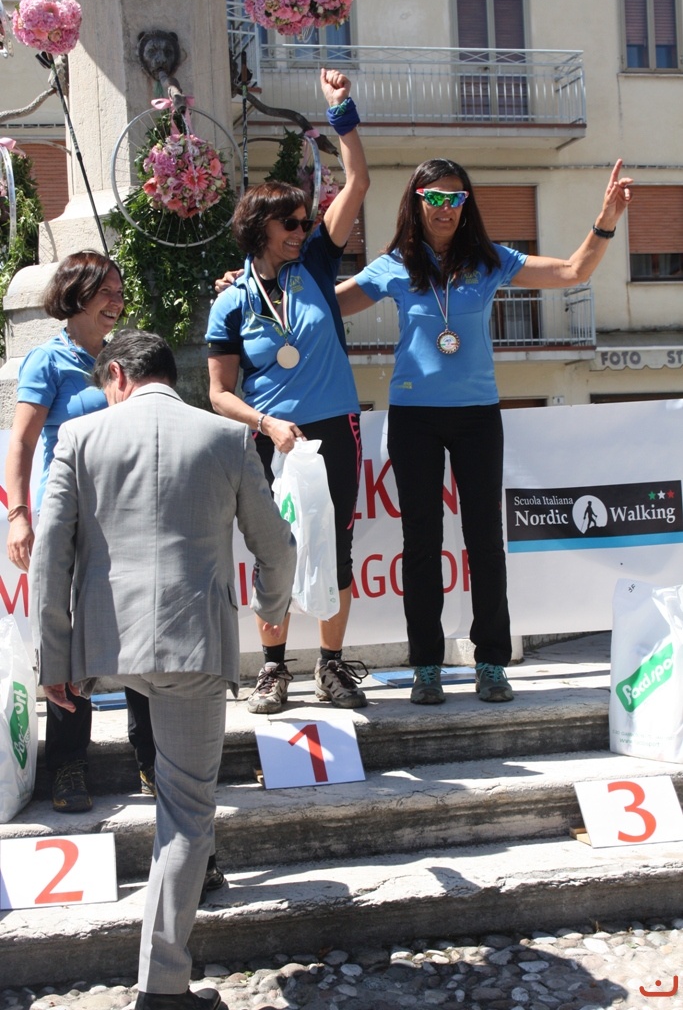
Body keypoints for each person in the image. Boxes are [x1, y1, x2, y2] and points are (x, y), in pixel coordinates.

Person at [29, 329, 296, 1010]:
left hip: (105, 643)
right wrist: (270, 610)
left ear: (117, 375)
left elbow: (50, 553)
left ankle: (162, 988)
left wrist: (54, 659)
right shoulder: (227, 437)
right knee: (186, 813)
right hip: (192, 645)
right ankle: (163, 990)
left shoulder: (77, 437)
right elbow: (276, 545)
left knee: (181, 810)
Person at [335, 157, 633, 706]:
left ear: (465, 205)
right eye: (435, 197)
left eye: (456, 199)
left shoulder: (488, 260)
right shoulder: (394, 265)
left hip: (476, 416)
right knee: (421, 544)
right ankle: (426, 666)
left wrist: (606, 220)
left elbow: (572, 272)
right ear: (417, 201)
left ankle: (491, 662)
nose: (445, 208)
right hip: (414, 417)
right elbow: (325, 306)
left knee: (485, 542)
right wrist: (253, 285)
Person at [207, 68, 370, 716]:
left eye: (306, 220)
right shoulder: (231, 301)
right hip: (270, 438)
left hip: (334, 427)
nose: (303, 229)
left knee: (336, 549)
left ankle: (331, 667)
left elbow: (357, 182)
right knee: (274, 554)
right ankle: (272, 670)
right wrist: (267, 424)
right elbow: (219, 394)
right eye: (291, 223)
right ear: (260, 229)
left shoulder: (319, 264)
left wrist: (342, 111)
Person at [5, 251, 157, 810]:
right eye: (105, 291)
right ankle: (68, 765)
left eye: (119, 291)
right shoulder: (47, 360)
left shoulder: (127, 357)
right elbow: (22, 444)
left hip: (127, 518)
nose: (117, 301)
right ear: (75, 295)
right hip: (66, 518)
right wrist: (20, 517)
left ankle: (152, 760)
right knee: (66, 643)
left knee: (139, 636)